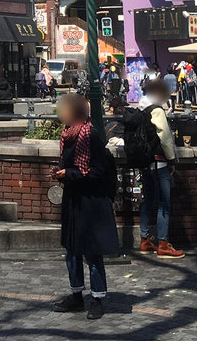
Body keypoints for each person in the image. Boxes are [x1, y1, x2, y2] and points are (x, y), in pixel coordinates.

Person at [51, 93, 118, 321]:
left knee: (92, 251)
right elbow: (69, 166)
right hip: (73, 199)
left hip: (92, 202)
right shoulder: (67, 135)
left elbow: (97, 171)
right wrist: (61, 173)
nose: (61, 114)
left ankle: (97, 298)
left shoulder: (90, 136)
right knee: (72, 250)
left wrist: (69, 173)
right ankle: (76, 294)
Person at [136, 78, 184, 258]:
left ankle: (145, 239)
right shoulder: (156, 110)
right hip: (159, 162)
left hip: (145, 161)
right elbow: (164, 136)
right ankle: (163, 243)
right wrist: (171, 158)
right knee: (164, 203)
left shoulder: (140, 108)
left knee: (148, 200)